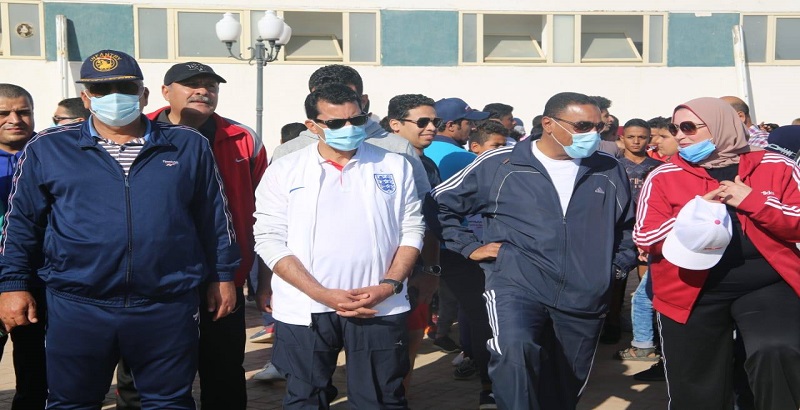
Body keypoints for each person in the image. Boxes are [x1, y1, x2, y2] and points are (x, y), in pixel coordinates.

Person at [0, 50, 240, 409]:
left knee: (169, 402)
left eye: (125, 88)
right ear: (86, 98)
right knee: (71, 402)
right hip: (78, 303)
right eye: (102, 90)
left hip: (166, 303)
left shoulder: (188, 145)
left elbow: (214, 218)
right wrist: (13, 284)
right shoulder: (49, 147)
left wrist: (222, 275)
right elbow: (22, 223)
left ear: (144, 95)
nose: (114, 97)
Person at [429, 91, 636, 409]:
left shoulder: (609, 168)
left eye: (599, 127)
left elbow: (628, 226)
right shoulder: (500, 163)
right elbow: (438, 205)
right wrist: (469, 247)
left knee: (564, 386)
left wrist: (614, 268)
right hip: (516, 284)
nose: (593, 134)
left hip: (583, 295)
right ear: (549, 124)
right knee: (515, 354)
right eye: (583, 126)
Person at [253, 83, 425, 409]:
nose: (349, 128)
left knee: (380, 400)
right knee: (305, 399)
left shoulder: (394, 165)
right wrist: (321, 293)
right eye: (335, 123)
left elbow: (412, 229)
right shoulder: (284, 170)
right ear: (312, 126)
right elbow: (269, 238)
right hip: (305, 307)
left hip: (379, 305)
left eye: (356, 120)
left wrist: (389, 285)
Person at [114, 61, 268, 410]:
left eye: (210, 85)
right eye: (191, 84)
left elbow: (265, 211)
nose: (203, 91)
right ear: (165, 92)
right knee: (143, 373)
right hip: (153, 281)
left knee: (223, 372)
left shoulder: (243, 139)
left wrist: (256, 278)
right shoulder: (135, 132)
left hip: (223, 278)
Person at [634, 97, 800, 410]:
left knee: (776, 350)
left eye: (688, 127)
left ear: (721, 125)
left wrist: (755, 202)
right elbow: (645, 236)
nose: (680, 135)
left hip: (765, 285)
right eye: (674, 128)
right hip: (689, 290)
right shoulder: (663, 175)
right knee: (697, 385)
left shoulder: (776, 165)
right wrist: (692, 216)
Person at [426, 97, 498, 409]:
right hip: (463, 249)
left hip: (427, 251)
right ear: (452, 125)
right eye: (469, 122)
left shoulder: (417, 153)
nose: (472, 128)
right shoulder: (464, 158)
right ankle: (489, 386)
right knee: (483, 316)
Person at [270, 64, 430, 201]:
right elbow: (274, 212)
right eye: (325, 96)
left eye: (346, 96)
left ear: (363, 101)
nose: (338, 103)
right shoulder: (288, 152)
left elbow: (419, 204)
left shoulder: (398, 149)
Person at [386, 93, 442, 393]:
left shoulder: (428, 165)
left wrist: (430, 270)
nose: (431, 127)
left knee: (411, 338)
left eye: (435, 121)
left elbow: (430, 221)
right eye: (422, 121)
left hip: (417, 270)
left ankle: (400, 397)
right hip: (382, 271)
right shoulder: (378, 160)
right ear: (395, 124)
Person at [0, 83, 47, 409]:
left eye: (23, 112)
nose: (15, 119)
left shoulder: (52, 154)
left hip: (39, 278)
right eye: (3, 113)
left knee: (35, 365)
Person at [613, 119, 663, 359]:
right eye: (631, 136)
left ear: (649, 139)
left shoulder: (658, 167)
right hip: (620, 231)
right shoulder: (613, 166)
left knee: (648, 281)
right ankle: (612, 325)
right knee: (616, 280)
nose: (636, 141)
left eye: (642, 137)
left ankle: (650, 331)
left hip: (649, 229)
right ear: (622, 139)